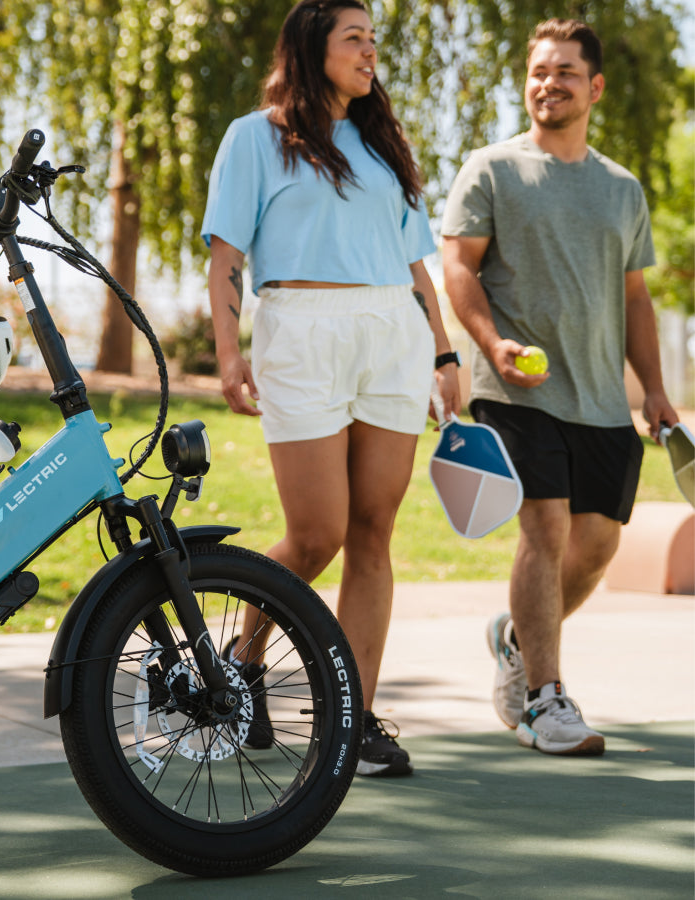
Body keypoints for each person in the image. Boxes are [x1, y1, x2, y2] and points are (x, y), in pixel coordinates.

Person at [201, 0, 460, 777]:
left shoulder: (384, 143)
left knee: (373, 532)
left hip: (392, 334)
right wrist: (226, 353)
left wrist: (443, 357)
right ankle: (243, 657)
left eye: (373, 39)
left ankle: (351, 719)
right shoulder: (255, 136)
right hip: (300, 329)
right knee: (318, 534)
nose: (369, 51)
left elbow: (417, 263)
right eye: (354, 37)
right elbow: (225, 258)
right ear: (312, 47)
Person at [441, 18, 679, 756]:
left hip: (601, 399)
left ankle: (516, 640)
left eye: (565, 72)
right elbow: (458, 267)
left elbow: (635, 298)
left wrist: (656, 392)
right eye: (539, 71)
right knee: (543, 529)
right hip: (514, 390)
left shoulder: (620, 189)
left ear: (593, 87)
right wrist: (491, 343)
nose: (548, 83)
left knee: (597, 546)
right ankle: (545, 698)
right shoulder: (491, 168)